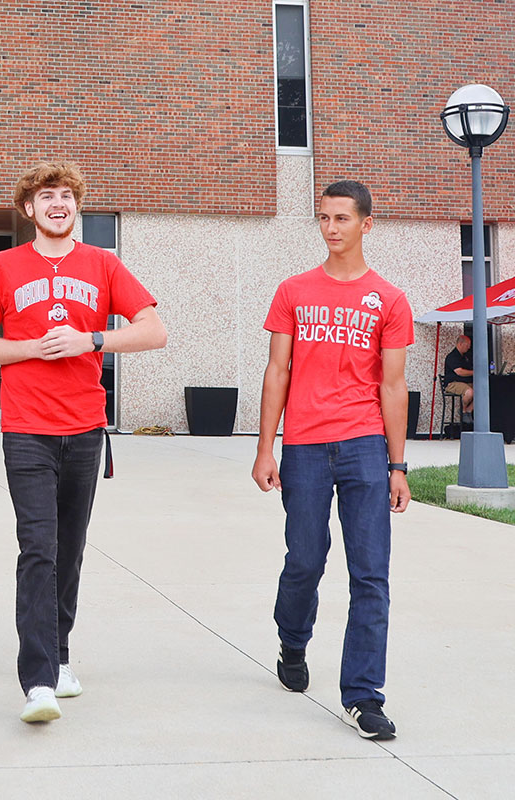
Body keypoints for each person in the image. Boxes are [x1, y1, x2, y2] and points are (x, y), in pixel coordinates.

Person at [0, 162, 167, 724]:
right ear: (28, 209)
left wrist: (90, 338)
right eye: (46, 196)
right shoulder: (3, 266)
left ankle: (61, 655)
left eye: (67, 196)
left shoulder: (103, 264)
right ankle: (37, 681)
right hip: (27, 429)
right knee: (39, 549)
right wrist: (33, 348)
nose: (58, 204)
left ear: (77, 206)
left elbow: (154, 330)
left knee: (70, 550)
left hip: (84, 429)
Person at [251, 180, 413, 741]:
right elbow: (278, 372)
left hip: (366, 445)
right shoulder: (293, 290)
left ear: (367, 224)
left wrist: (398, 465)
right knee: (306, 559)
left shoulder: (389, 300)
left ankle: (364, 696)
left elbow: (393, 387)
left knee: (371, 573)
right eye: (324, 218)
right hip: (304, 446)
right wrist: (265, 446)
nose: (331, 228)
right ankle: (292, 640)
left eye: (342, 218)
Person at [443, 333, 474, 417]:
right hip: (452, 383)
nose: (469, 347)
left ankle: (469, 410)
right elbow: (459, 372)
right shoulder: (452, 356)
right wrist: (475, 372)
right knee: (470, 392)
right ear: (460, 344)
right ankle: (463, 411)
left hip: (465, 382)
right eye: (467, 345)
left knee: (482, 391)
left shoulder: (465, 357)